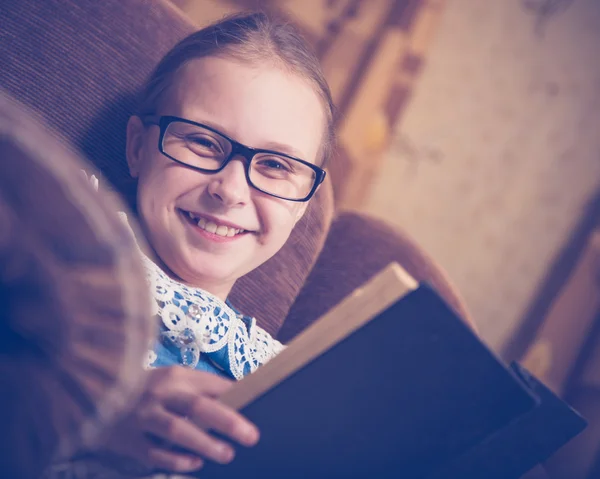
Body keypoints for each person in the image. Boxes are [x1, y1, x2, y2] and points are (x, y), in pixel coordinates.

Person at [46, 10, 335, 479]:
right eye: (203, 142)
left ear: (303, 203)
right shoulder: (55, 249)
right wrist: (94, 421)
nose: (231, 190)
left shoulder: (289, 378)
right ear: (138, 147)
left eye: (276, 166)